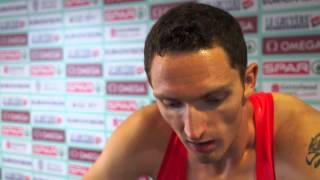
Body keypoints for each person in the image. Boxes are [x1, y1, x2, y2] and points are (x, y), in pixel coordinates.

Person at [84, 3, 320, 180]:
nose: (193, 131)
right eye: (172, 103)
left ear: (248, 81)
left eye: (214, 100)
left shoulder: (298, 134)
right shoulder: (146, 132)